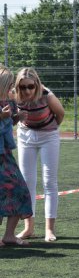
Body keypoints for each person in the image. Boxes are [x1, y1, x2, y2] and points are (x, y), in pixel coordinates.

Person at [14, 67, 65, 242]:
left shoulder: (47, 95)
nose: (27, 90)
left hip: (48, 136)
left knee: (49, 181)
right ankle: (29, 228)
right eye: (23, 87)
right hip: (25, 136)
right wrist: (17, 118)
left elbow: (60, 114)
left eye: (30, 86)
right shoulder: (14, 95)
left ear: (37, 85)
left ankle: (49, 229)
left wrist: (49, 128)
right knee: (27, 182)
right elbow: (11, 118)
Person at [0, 65, 33, 247]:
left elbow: (6, 126)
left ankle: (9, 235)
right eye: (8, 84)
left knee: (19, 190)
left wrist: (16, 118)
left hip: (5, 155)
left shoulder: (9, 101)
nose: (11, 87)